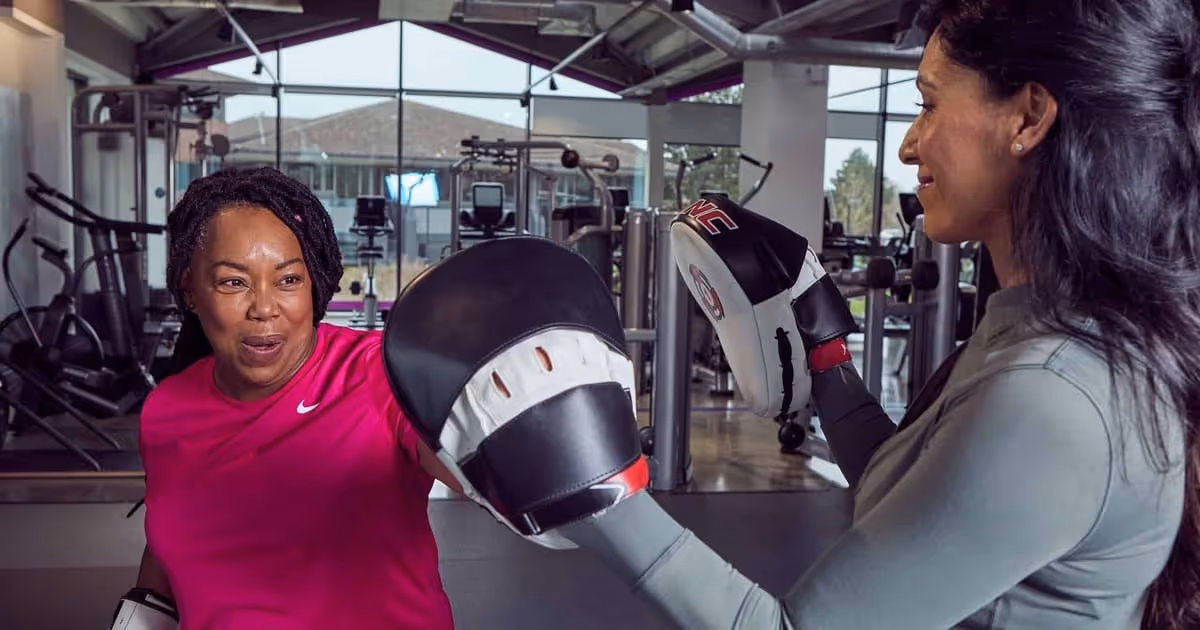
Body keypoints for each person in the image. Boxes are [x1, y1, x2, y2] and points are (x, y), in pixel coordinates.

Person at [379, 0, 1199, 628]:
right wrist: (827, 358)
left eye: (928, 103)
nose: (910, 145)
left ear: (1027, 118)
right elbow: (906, 498)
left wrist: (601, 497)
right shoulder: (1045, 325)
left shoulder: (1057, 392)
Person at [111, 167, 463, 630]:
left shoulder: (382, 371)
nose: (264, 307)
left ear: (314, 282)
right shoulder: (167, 407)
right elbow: (167, 546)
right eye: (233, 282)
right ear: (190, 291)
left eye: (288, 280)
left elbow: (479, 468)